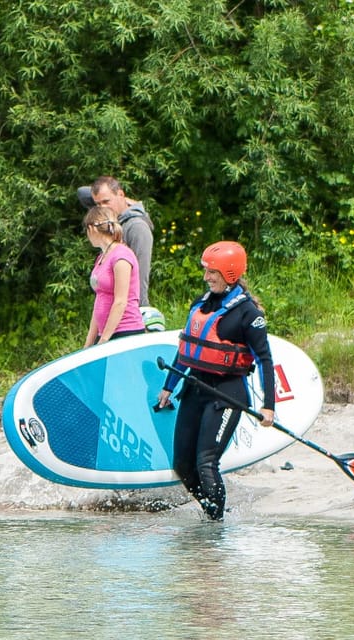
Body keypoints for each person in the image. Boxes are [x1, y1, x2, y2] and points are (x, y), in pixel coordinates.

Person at [155, 241, 276, 521]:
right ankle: (213, 514)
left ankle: (215, 529)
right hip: (195, 389)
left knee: (206, 463)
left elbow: (265, 360)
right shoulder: (202, 303)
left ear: (230, 274)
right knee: (183, 465)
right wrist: (168, 386)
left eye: (213, 272)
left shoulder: (249, 314)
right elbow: (187, 348)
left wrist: (269, 406)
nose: (206, 277)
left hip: (226, 396)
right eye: (207, 271)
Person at [78, 176, 154, 306]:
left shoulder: (137, 227)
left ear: (121, 194)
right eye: (98, 204)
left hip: (130, 311)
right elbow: (81, 192)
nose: (102, 208)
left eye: (106, 201)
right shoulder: (113, 221)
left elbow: (141, 276)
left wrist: (139, 311)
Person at [83, 205, 146, 348]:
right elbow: (99, 300)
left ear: (92, 229)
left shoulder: (121, 256)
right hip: (105, 332)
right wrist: (89, 342)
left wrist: (104, 340)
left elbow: (120, 302)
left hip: (125, 331)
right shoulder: (102, 257)